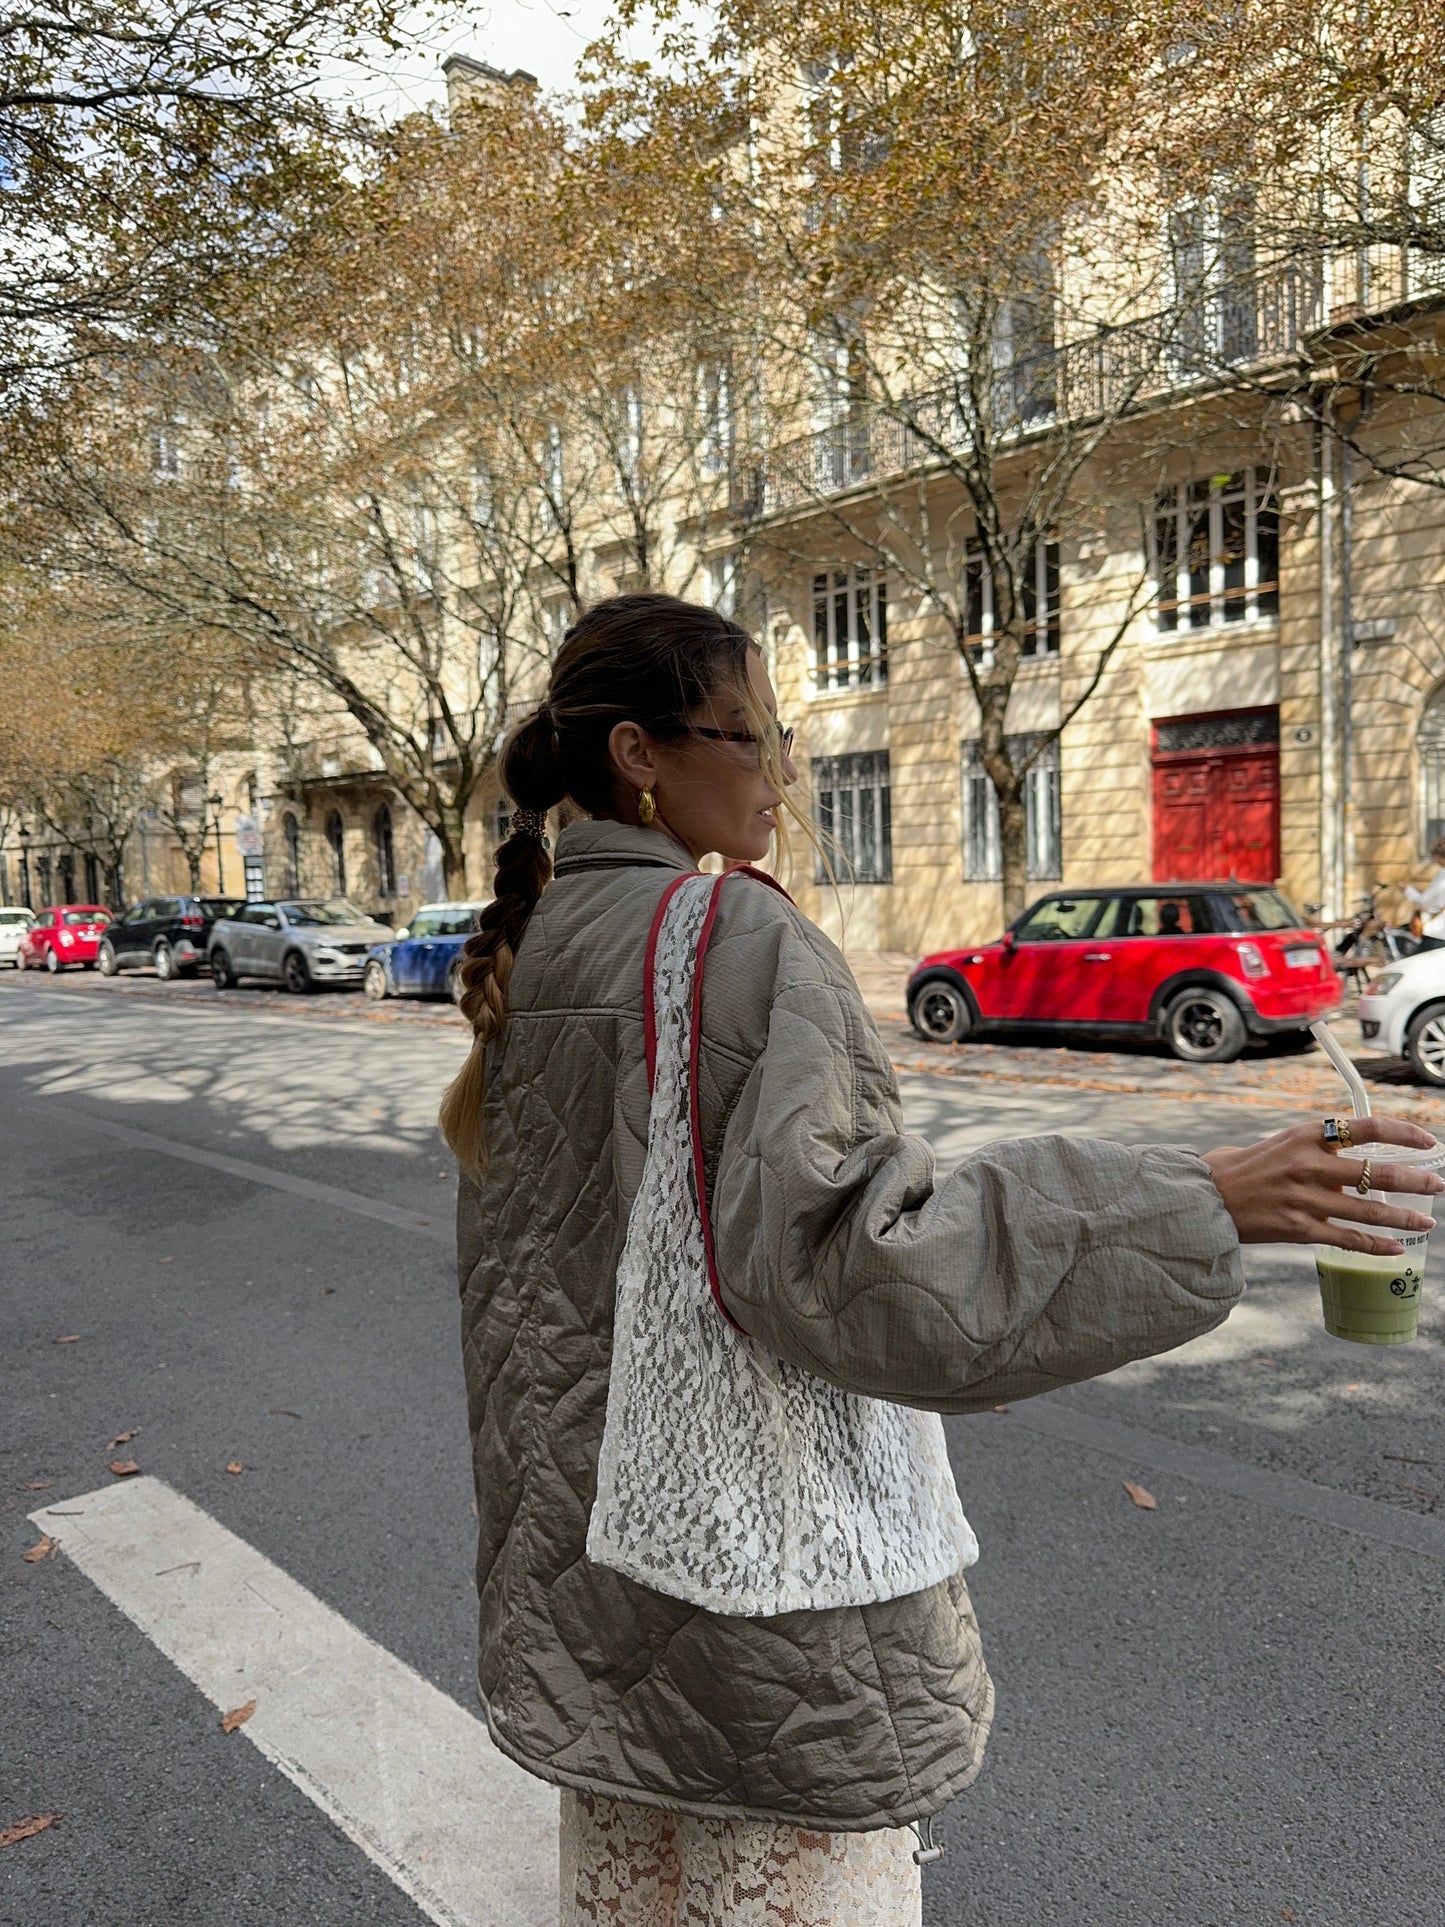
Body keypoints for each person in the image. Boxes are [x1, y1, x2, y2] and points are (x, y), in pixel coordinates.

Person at [441, 593, 1439, 1926]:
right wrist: (1206, 1193)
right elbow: (862, 1268)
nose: (785, 772)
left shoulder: (537, 941)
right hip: (757, 1621)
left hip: (592, 1591)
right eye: (754, 737)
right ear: (640, 751)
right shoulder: (737, 938)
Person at [1404, 835, 1445, 939]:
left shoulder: (1442, 875)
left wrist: (1407, 890)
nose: (1435, 859)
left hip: (1437, 931)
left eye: (1435, 855)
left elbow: (1425, 902)